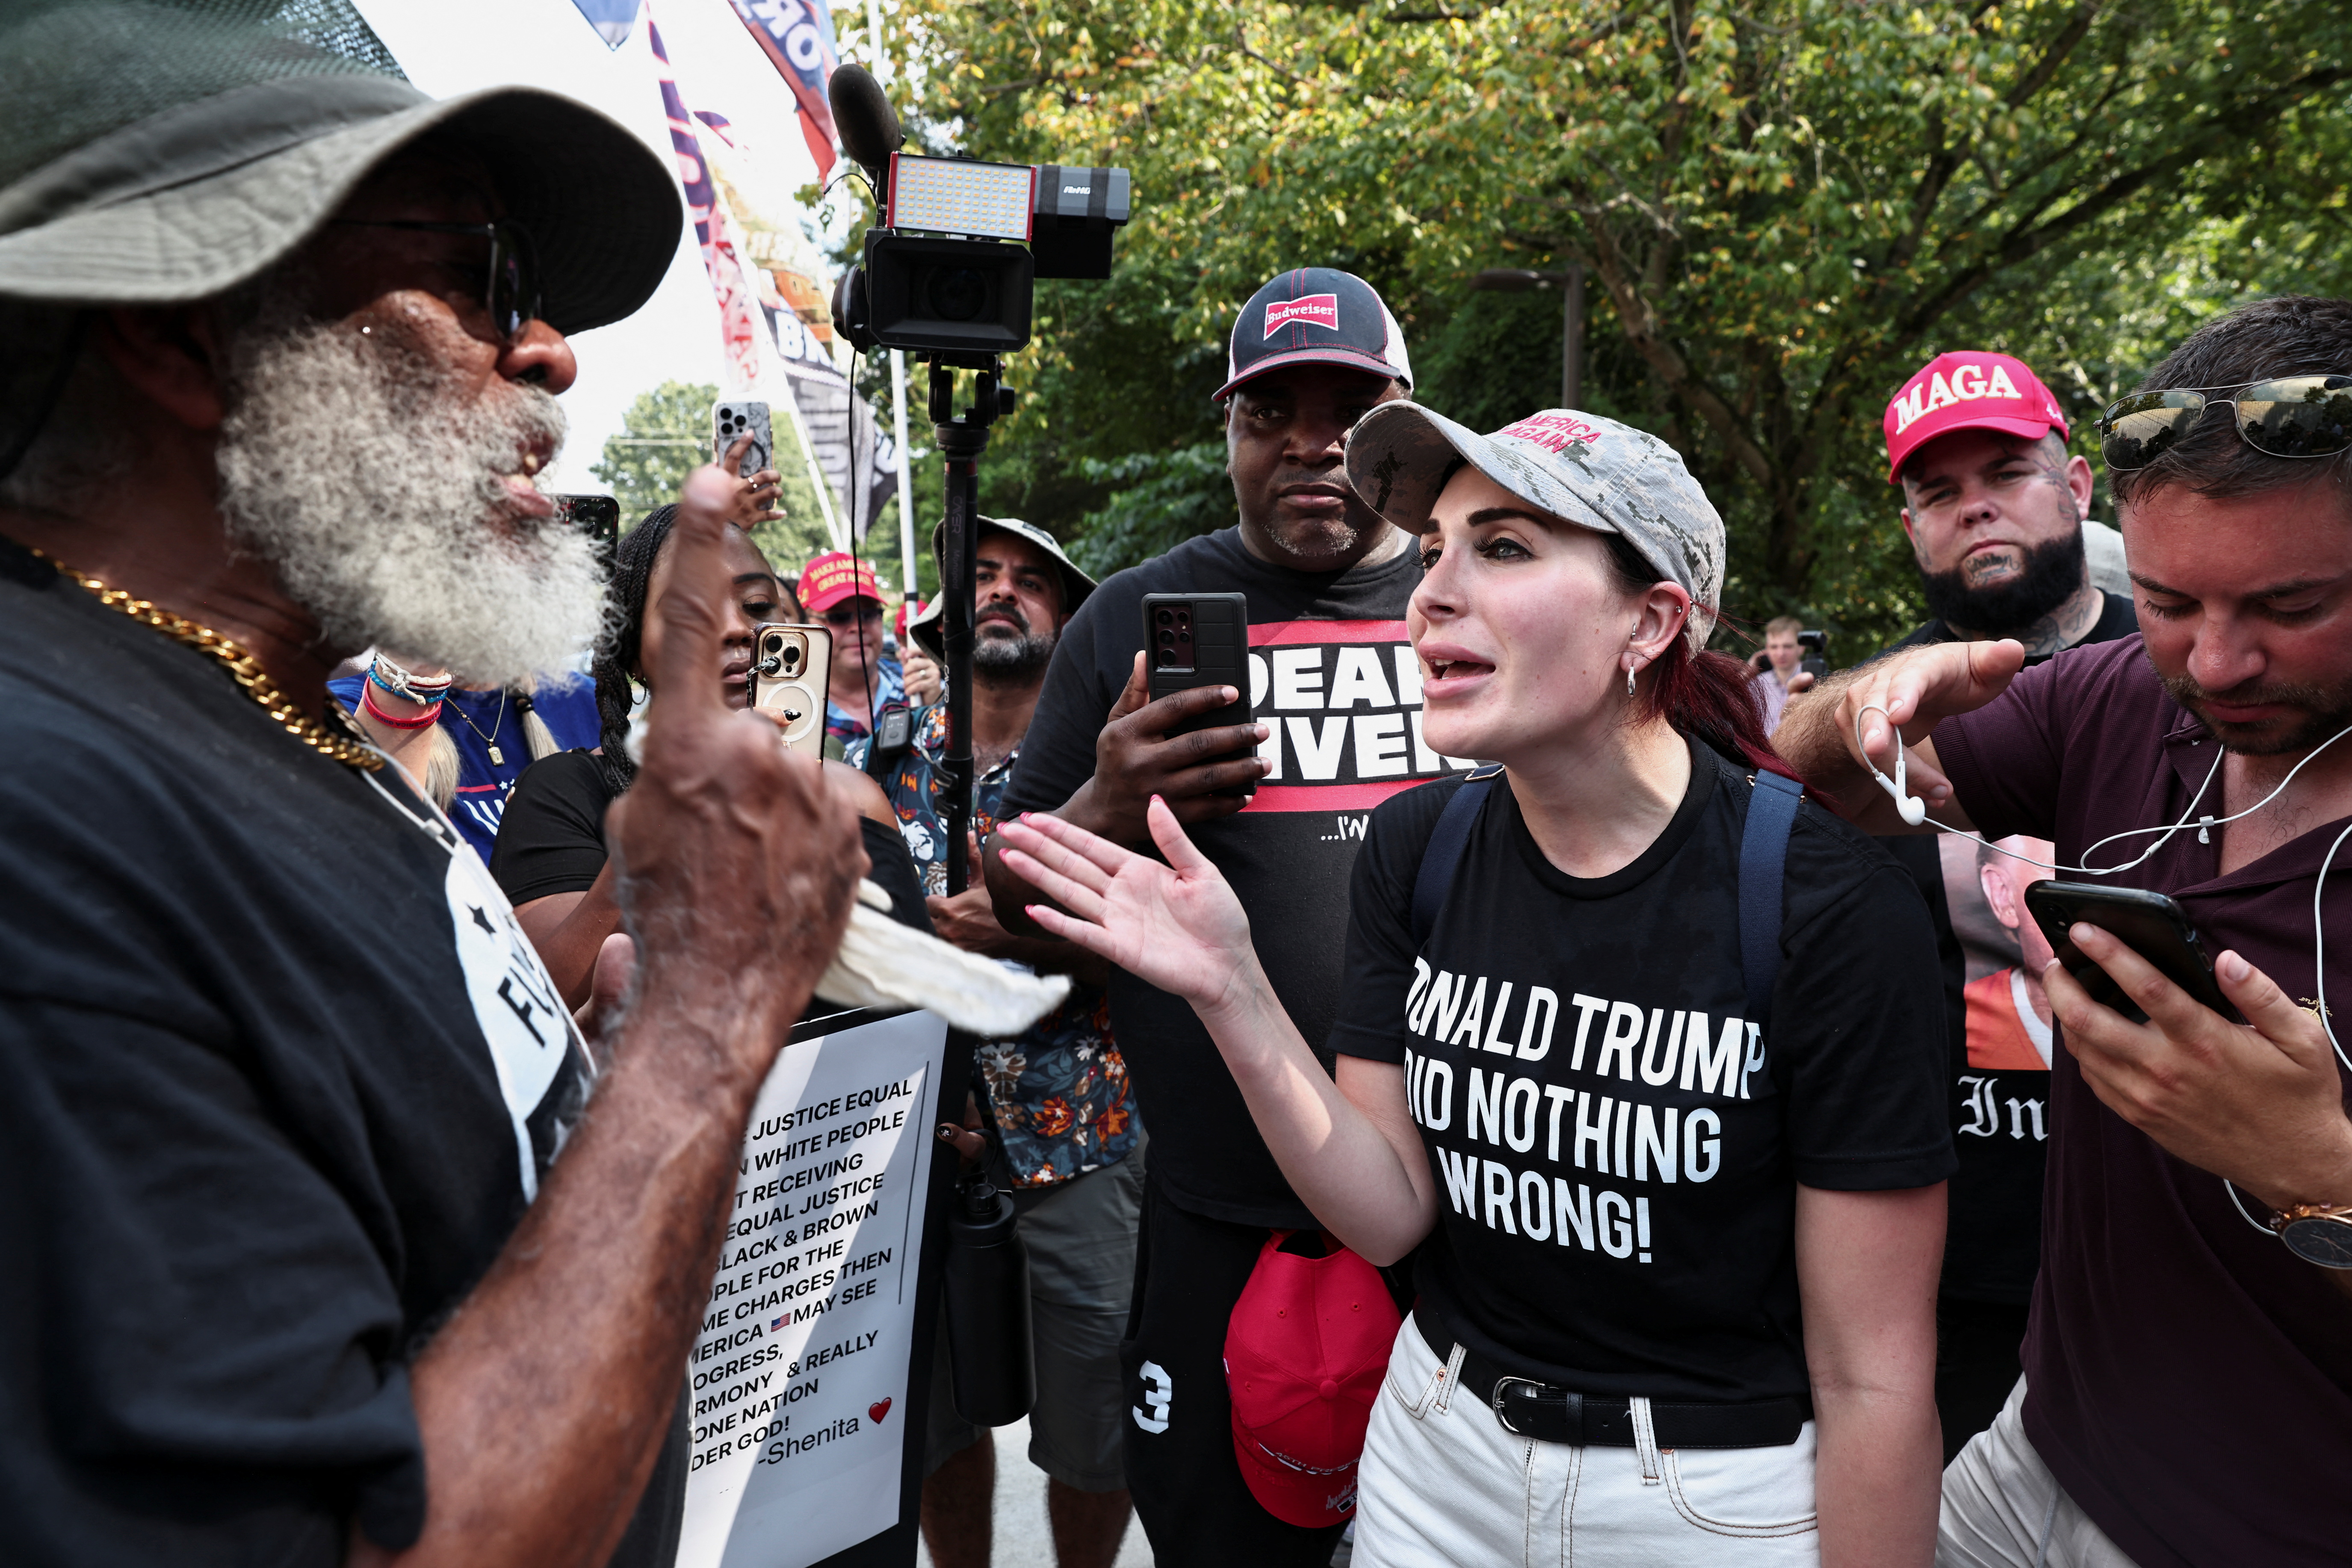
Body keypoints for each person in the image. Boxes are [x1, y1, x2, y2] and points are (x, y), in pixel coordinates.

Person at [0, 9, 868, 1565]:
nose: (547, 350)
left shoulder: (264, 717)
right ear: (182, 326)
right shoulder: (41, 819)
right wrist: (702, 1023)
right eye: (478, 277)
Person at [996, 402, 1954, 1567]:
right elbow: (1390, 1207)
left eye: (1500, 546)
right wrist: (1228, 984)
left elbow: (1871, 1378)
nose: (1430, 592)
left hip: (1708, 1504)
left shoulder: (1833, 906)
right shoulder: (1420, 848)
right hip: (1433, 1465)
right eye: (1437, 546)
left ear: (1650, 623)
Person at [1773, 296, 2352, 1568]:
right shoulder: (2110, 697)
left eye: (2290, 605)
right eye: (2165, 599)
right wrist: (1876, 696)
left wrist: (2322, 1173)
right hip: (2037, 1449)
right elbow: (1809, 765)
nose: (2216, 663)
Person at [982, 267, 1471, 1564]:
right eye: (1273, 414)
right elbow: (1015, 904)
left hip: (1474, 1225)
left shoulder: (1475, 605)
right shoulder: (1129, 619)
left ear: (1405, 423)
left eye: (1349, 409)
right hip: (1216, 1220)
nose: (1312, 443)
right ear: (1231, 436)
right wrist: (1107, 793)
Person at [1858, 350, 2142, 1460]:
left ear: (2075, 487)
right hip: (1946, 1263)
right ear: (1912, 529)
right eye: (1935, 489)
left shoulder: (2194, 664)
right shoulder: (1871, 714)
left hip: (2164, 1238)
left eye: (2006, 470)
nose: (1972, 503)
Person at [852, 517, 1143, 1568]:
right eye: (981, 575)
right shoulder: (874, 765)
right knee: (932, 1407)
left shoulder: (1121, 774)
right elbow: (840, 943)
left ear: (1067, 621)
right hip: (918, 1144)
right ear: (943, 609)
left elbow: (1154, 942)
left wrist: (985, 923)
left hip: (1086, 1137)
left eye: (1029, 580)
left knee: (1095, 1414)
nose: (1002, 592)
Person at [492, 505, 925, 1009]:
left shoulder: (854, 799)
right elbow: (551, 1001)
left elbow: (914, 1013)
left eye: (758, 605)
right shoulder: (564, 792)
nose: (738, 629)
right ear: (633, 653)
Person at [799, 548, 905, 756]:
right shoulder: (794, 710)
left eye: (869, 614)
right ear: (805, 625)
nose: (858, 627)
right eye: (839, 617)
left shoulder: (917, 689)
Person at [1752, 614, 1805, 729]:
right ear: (1767, 649)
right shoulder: (1758, 684)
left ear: (1801, 648)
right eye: (1774, 647)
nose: (1781, 653)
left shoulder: (1816, 681)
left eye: (1788, 647)